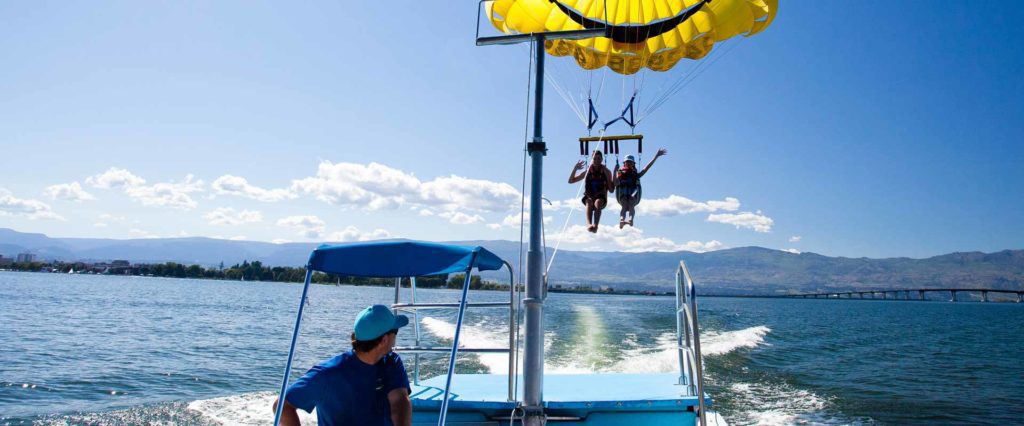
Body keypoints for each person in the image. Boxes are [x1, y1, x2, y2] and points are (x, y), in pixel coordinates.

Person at [272, 305, 412, 426]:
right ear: (384, 339)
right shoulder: (328, 374)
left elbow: (399, 399)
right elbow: (282, 406)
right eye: (395, 332)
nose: (396, 337)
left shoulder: (392, 363)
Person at [614, 148, 667, 228]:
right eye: (627, 162)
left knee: (631, 203)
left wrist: (656, 156)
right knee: (624, 205)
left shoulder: (636, 174)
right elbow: (615, 182)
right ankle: (622, 219)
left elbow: (646, 168)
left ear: (633, 164)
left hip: (634, 193)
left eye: (630, 162)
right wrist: (615, 171)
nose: (628, 163)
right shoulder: (620, 173)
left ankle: (630, 219)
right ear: (624, 163)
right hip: (623, 194)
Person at [569, 150, 614, 233]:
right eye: (594, 158)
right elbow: (571, 181)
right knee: (589, 201)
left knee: (598, 201)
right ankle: (589, 224)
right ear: (592, 159)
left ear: (602, 160)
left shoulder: (606, 171)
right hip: (589, 195)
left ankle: (596, 225)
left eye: (598, 158)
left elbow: (611, 190)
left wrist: (612, 176)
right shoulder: (588, 171)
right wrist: (575, 168)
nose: (596, 160)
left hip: (601, 196)